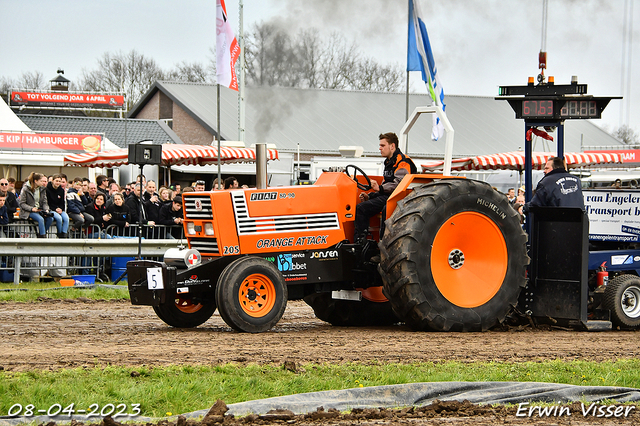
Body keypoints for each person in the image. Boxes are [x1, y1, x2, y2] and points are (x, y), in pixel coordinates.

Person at [354, 132, 417, 241]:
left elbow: (399, 185)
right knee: (361, 208)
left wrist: (380, 188)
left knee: (386, 210)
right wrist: (370, 196)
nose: (380, 148)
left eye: (382, 146)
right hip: (389, 197)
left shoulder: (403, 162)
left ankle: (383, 245)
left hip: (401, 198)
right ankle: (361, 242)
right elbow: (385, 185)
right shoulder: (388, 162)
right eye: (379, 145)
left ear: (392, 146)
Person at [18, 172, 54, 238]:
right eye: (41, 181)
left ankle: (41, 234)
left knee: (50, 218)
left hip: (39, 209)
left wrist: (46, 209)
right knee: (40, 219)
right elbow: (22, 203)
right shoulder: (25, 189)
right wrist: (32, 208)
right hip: (28, 211)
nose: (43, 183)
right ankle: (43, 237)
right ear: (36, 181)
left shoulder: (42, 189)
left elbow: (44, 202)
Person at [45, 173, 70, 238]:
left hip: (59, 208)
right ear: (52, 181)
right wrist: (55, 209)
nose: (58, 183)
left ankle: (64, 233)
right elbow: (48, 202)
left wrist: (61, 209)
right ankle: (59, 232)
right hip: (51, 209)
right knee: (59, 218)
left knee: (66, 218)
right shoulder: (47, 190)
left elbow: (62, 202)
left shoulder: (61, 190)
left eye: (59, 181)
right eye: (56, 181)